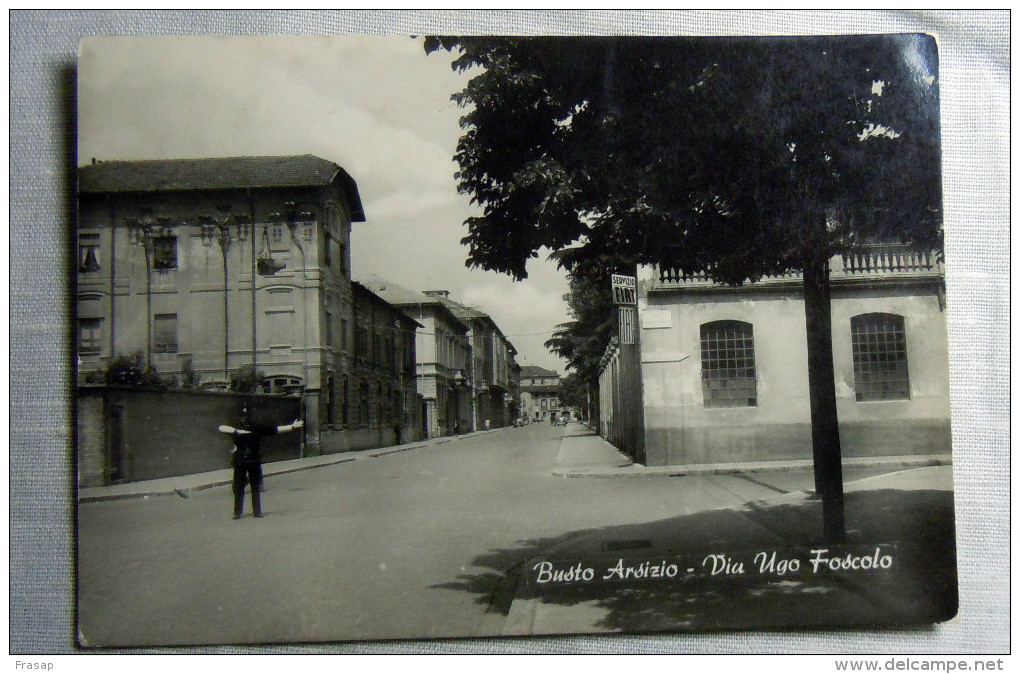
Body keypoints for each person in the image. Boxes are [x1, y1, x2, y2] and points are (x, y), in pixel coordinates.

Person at [218, 404, 303, 520]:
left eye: (246, 416)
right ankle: (237, 512)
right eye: (243, 416)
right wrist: (237, 431)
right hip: (241, 461)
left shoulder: (256, 427)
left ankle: (256, 511)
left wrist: (292, 427)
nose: (244, 419)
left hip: (253, 459)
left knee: (255, 487)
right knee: (238, 487)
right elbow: (221, 428)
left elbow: (275, 430)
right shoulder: (235, 428)